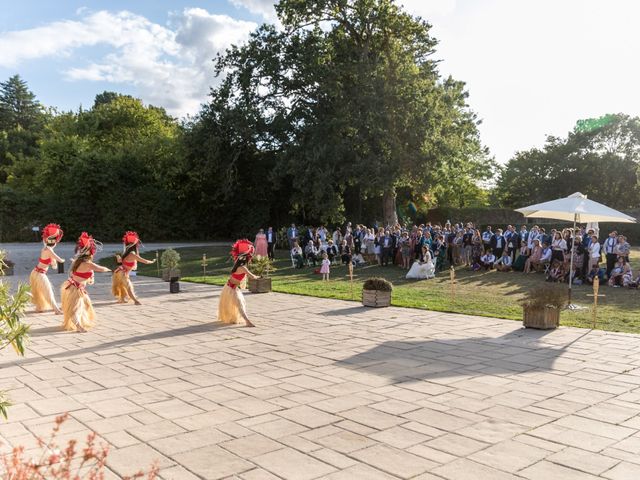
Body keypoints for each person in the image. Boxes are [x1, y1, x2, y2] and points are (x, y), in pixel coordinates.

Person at [61, 232, 111, 333]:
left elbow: (72, 274)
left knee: (86, 305)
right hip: (75, 289)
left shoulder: (77, 261)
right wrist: (110, 269)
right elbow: (101, 269)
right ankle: (79, 327)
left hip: (75, 287)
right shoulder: (88, 263)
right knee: (75, 309)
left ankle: (83, 321)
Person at [218, 239, 258, 327]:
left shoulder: (237, 264)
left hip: (229, 288)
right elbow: (252, 276)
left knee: (239, 303)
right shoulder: (243, 268)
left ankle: (238, 319)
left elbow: (239, 256)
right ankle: (247, 321)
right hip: (231, 289)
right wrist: (259, 277)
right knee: (240, 304)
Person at [112, 231, 156, 305]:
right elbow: (144, 261)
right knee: (129, 286)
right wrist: (152, 261)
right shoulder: (132, 254)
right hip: (122, 272)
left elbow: (120, 261)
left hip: (119, 271)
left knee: (122, 286)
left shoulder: (126, 253)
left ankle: (122, 299)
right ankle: (136, 301)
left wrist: (118, 257)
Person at [30, 223, 65, 314]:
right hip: (39, 273)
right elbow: (59, 259)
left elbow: (53, 262)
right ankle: (56, 310)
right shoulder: (49, 250)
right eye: (55, 241)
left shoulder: (46, 249)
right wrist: (62, 260)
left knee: (40, 292)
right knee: (48, 291)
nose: (56, 243)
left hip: (36, 272)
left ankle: (40, 307)